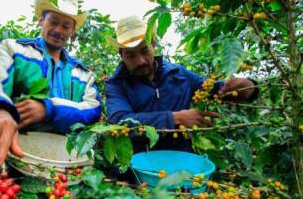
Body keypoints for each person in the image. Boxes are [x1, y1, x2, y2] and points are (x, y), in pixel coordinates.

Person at [0, 0, 101, 173]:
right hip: (14, 153)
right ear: (41, 20)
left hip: (63, 161)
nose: (58, 30)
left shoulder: (83, 74)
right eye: (53, 22)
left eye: (65, 26)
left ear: (72, 31)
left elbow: (92, 110)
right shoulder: (14, 50)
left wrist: (49, 109)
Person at [105, 16, 258, 153]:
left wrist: (247, 87)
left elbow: (217, 91)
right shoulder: (116, 85)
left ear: (153, 45)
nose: (140, 61)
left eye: (145, 51)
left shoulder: (178, 74)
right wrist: (174, 119)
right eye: (130, 55)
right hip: (139, 171)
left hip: (182, 165)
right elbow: (120, 123)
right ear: (121, 55)